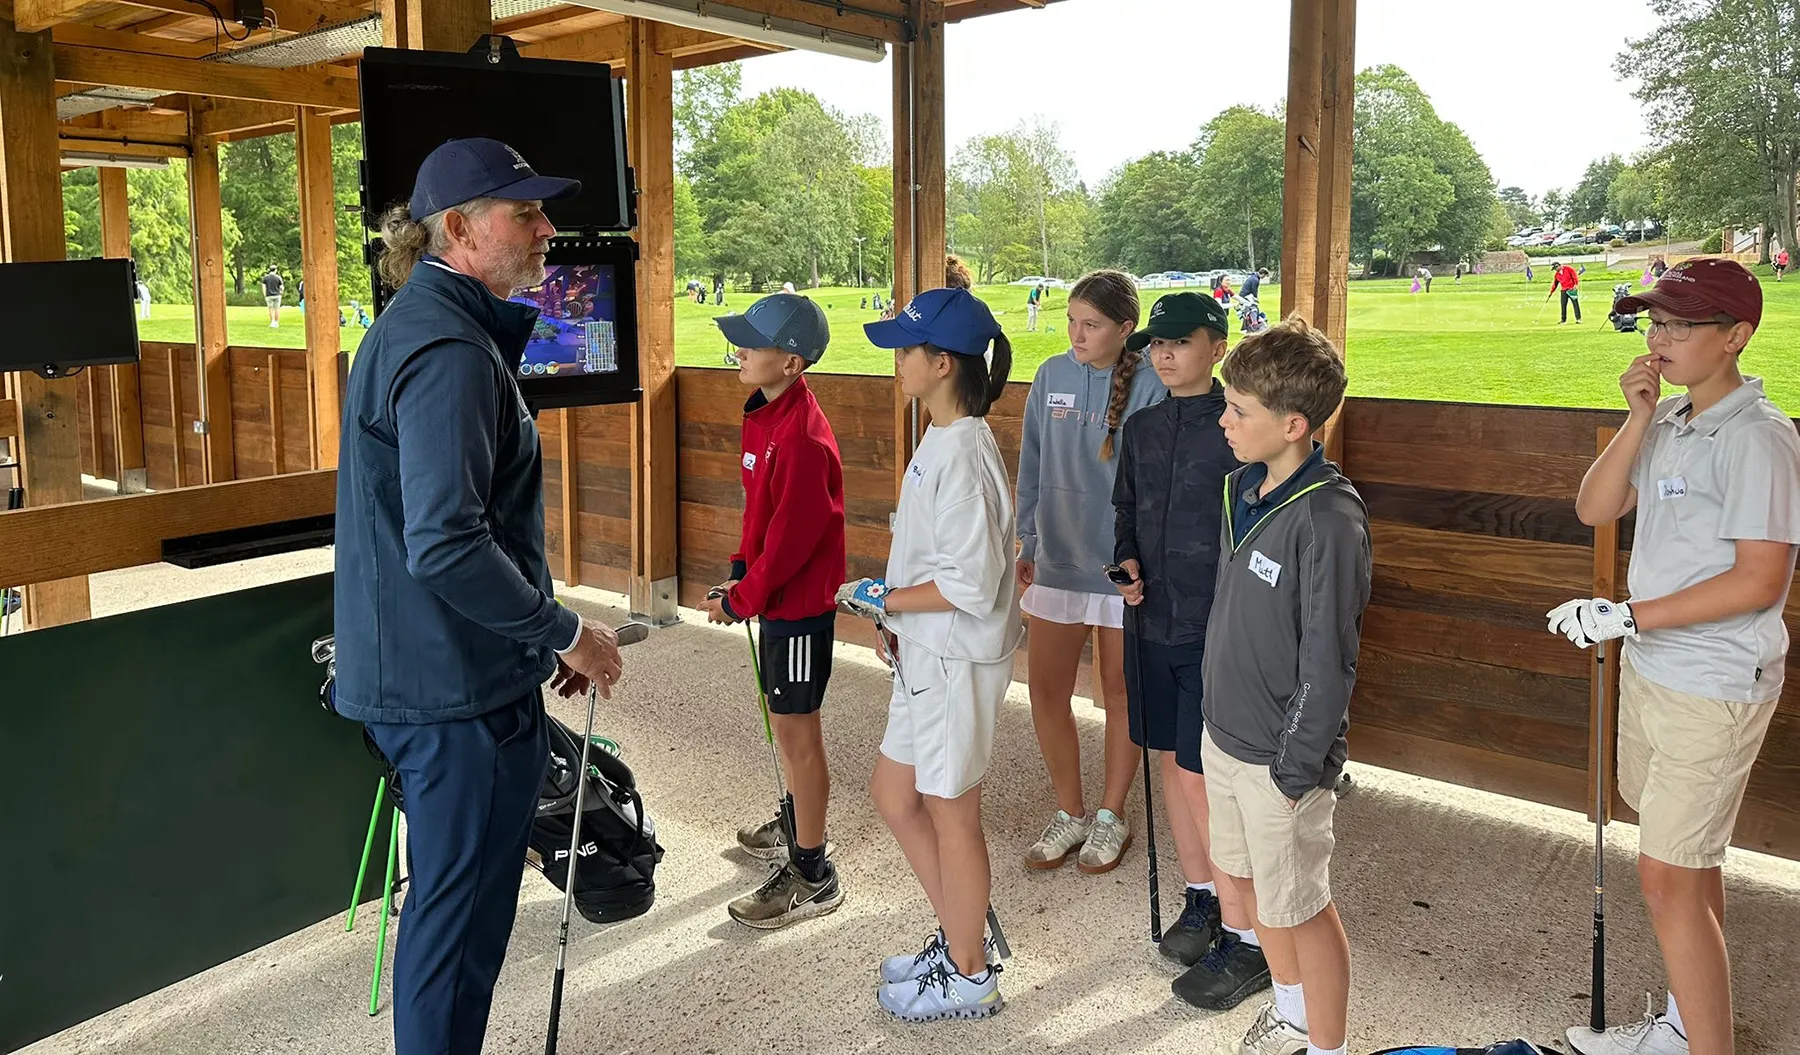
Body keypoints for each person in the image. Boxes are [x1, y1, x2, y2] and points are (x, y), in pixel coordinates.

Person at [332, 138, 627, 1055]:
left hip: (458, 672)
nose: (549, 229)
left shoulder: (433, 325)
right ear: (457, 230)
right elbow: (448, 543)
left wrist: (532, 644)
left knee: (463, 919)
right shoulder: (448, 346)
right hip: (449, 695)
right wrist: (564, 630)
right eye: (525, 214)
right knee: (456, 929)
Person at [1550, 258, 1800, 1055]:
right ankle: (1689, 1026)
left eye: (1681, 325)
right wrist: (1636, 418)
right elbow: (1596, 507)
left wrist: (1625, 614)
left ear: (1736, 336)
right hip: (1657, 668)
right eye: (1656, 323)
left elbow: (1760, 579)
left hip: (1716, 682)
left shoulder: (1760, 437)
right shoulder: (1672, 420)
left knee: (1664, 877)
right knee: (1689, 867)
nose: (1660, 338)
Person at [842, 287, 1020, 1022]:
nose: (896, 360)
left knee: (954, 815)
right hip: (923, 652)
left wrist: (881, 597)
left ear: (942, 363)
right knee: (894, 794)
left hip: (954, 659)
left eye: (905, 348)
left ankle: (971, 973)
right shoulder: (940, 435)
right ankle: (960, 935)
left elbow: (970, 583)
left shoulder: (966, 451)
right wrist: (893, 612)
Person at [1205, 316, 1369, 1055]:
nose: (1224, 419)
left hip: (1282, 760)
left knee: (1303, 904)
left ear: (1294, 423)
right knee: (1249, 888)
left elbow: (1328, 658)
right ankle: (1293, 1012)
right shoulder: (1241, 488)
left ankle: (1326, 1046)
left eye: (1239, 409)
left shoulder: (1329, 517)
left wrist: (1296, 767)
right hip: (1225, 736)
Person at [1109, 292, 1271, 1008]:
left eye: (1180, 341)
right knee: (1176, 766)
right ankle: (1202, 896)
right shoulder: (1142, 428)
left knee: (1214, 779)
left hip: (1216, 632)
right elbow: (1124, 512)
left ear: (1217, 343)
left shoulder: (1237, 430)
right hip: (1152, 624)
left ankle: (1249, 934)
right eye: (1156, 344)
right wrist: (1126, 564)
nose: (1164, 354)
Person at [701, 292, 849, 930]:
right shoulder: (762, 414)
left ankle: (813, 870)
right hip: (772, 600)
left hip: (799, 611)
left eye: (752, 343)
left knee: (797, 732)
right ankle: (795, 819)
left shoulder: (805, 440)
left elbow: (791, 544)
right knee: (785, 727)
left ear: (790, 361)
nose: (739, 350)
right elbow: (757, 515)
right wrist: (739, 567)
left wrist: (740, 599)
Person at [1015, 269, 1165, 875]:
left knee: (1120, 693)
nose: (1077, 334)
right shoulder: (1051, 374)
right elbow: (1031, 459)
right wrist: (1027, 535)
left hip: (1118, 569)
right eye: (1072, 321)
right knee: (1046, 691)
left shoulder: (1154, 384)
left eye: (1092, 324)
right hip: (1054, 558)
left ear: (1125, 329)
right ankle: (1070, 811)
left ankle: (1111, 815)